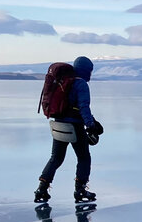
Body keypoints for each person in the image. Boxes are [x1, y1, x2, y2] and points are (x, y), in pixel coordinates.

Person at [35, 56, 103, 204]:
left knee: (56, 158)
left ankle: (42, 189)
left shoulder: (63, 81)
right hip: (74, 127)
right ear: (86, 71)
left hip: (58, 125)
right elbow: (83, 107)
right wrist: (91, 125)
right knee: (84, 157)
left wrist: (92, 120)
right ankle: (80, 190)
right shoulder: (81, 84)